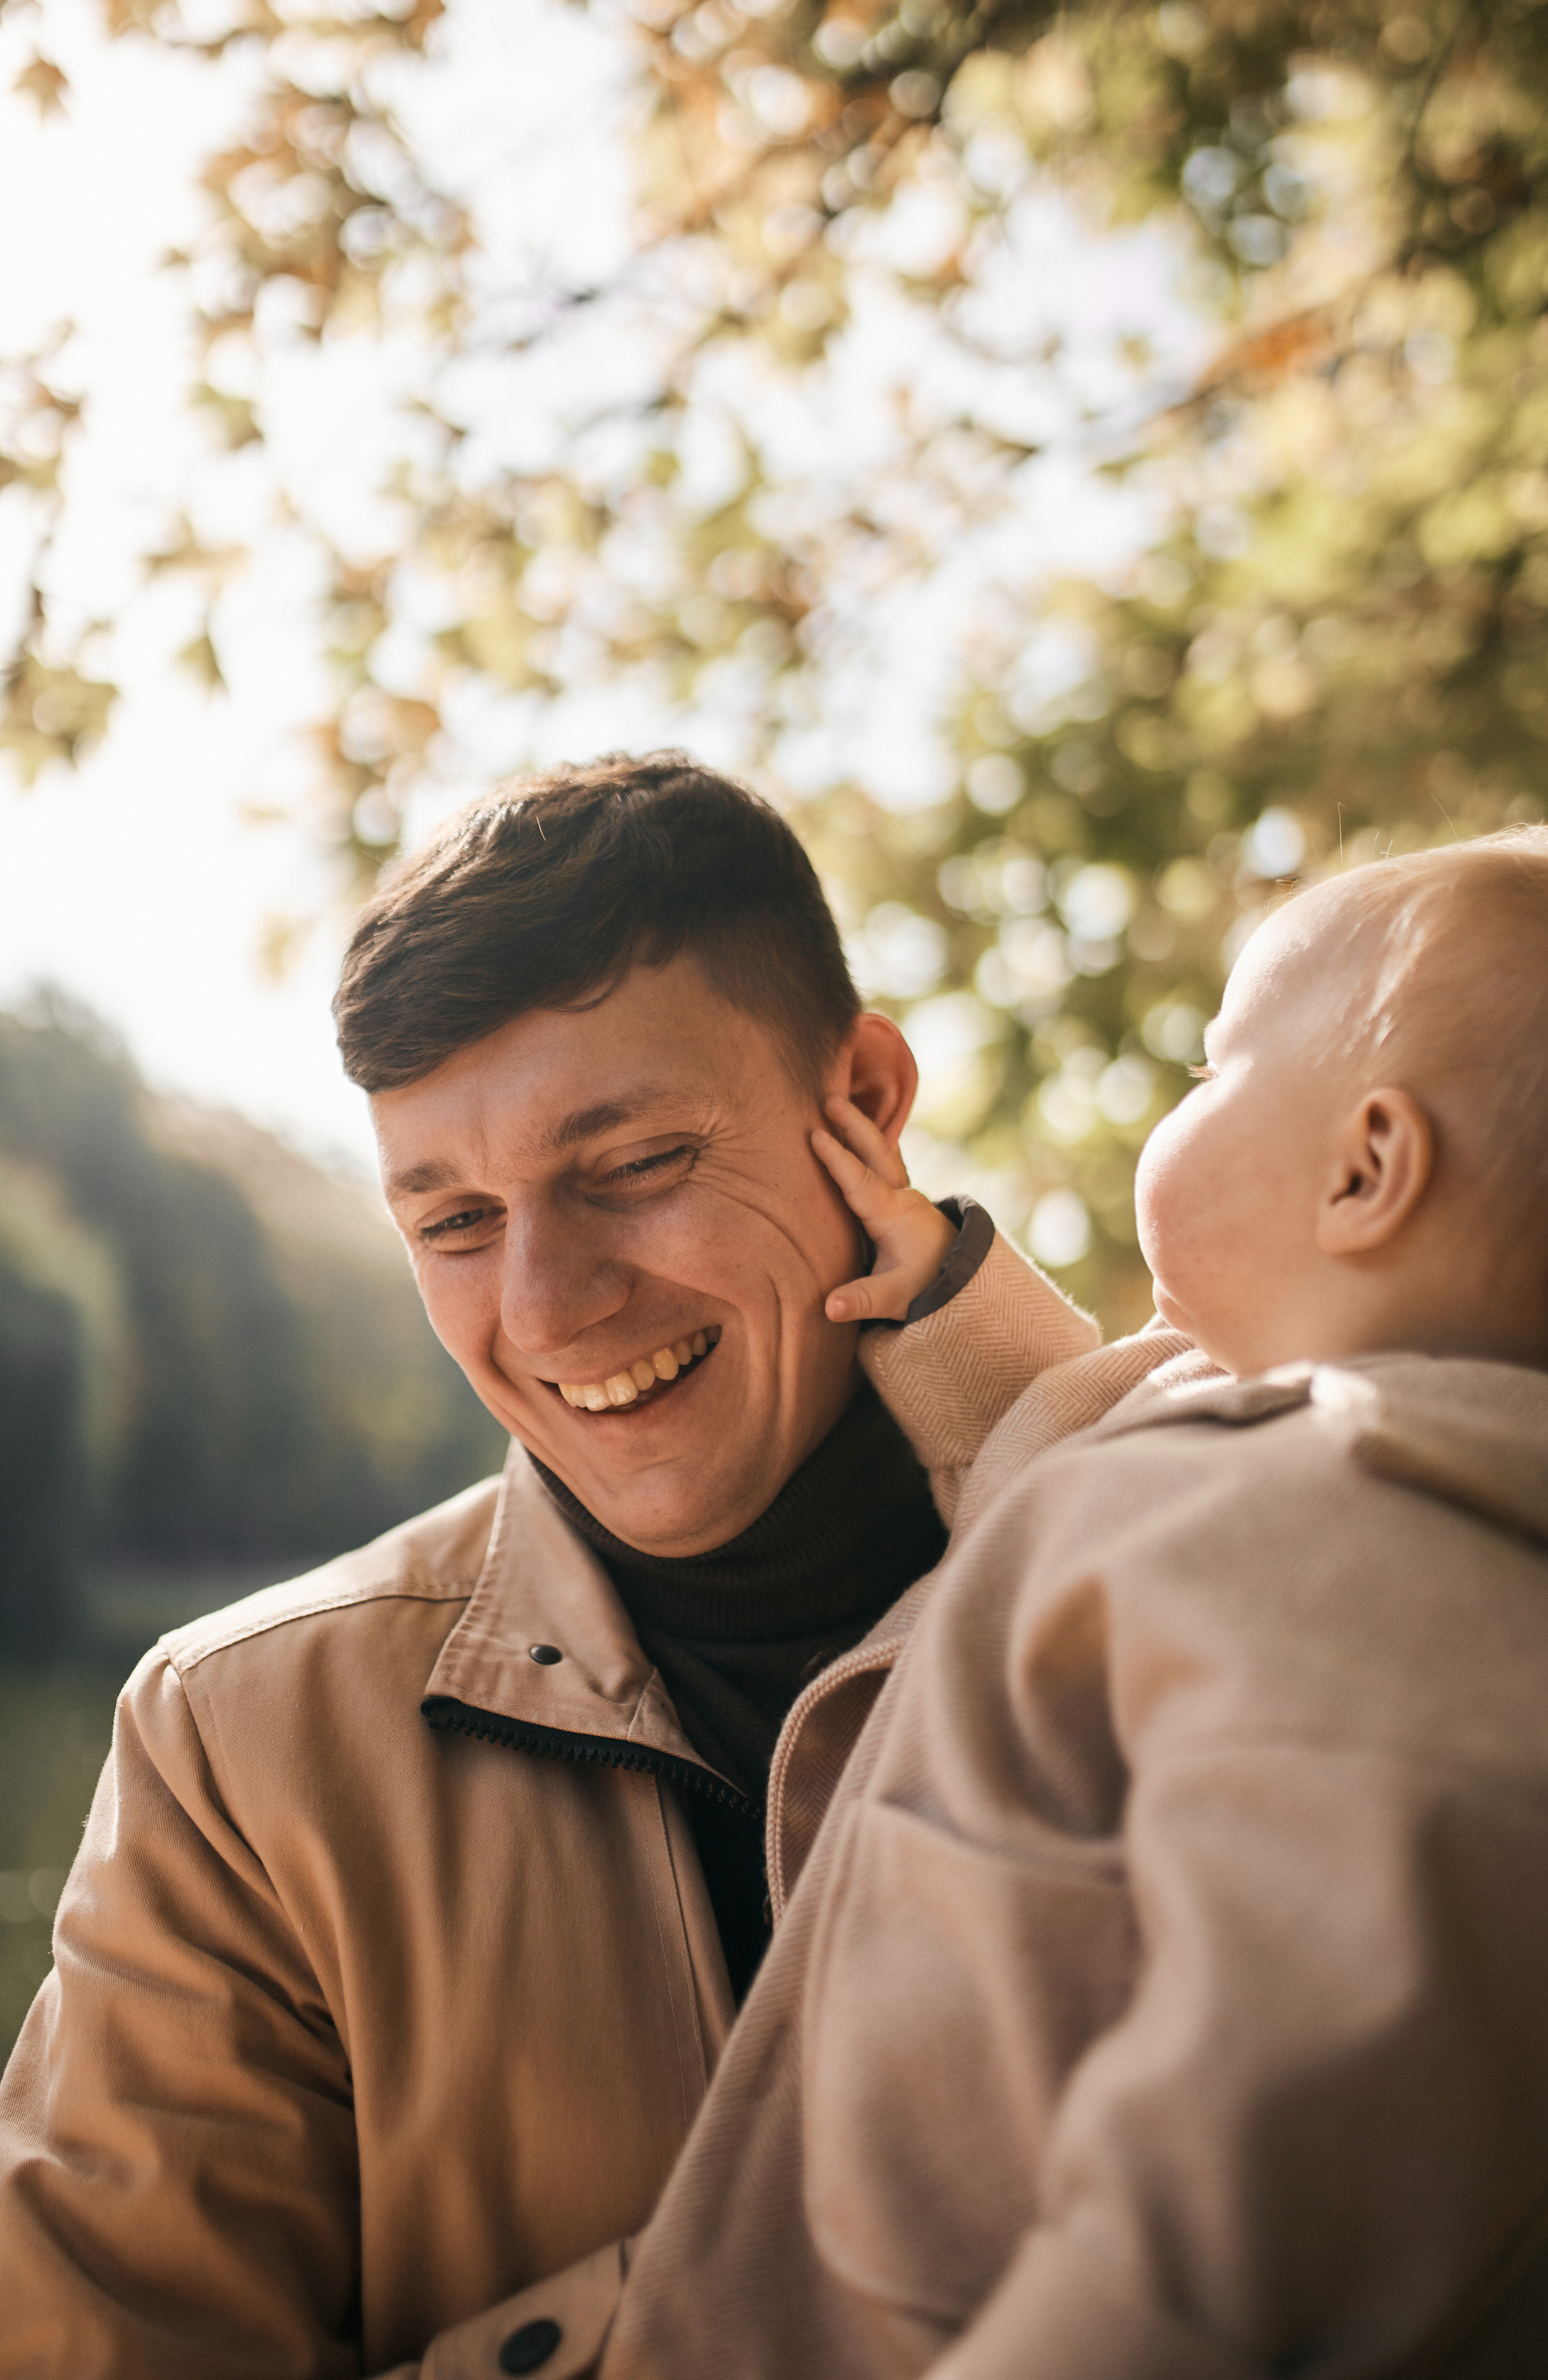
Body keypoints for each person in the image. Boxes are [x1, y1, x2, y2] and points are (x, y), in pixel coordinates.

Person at [0, 754, 1154, 2376]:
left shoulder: (1217, 1578)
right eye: (455, 1223)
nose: (544, 1312)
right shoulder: (238, 1752)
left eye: (629, 1169)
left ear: (868, 1105)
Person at [475, 821, 1548, 2380]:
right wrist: (933, 1293)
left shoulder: (1381, 1548)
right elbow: (1064, 1447)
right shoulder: (1267, 1442)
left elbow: (1266, 2165)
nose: (1179, 1099)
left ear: (1364, 1169)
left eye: (1216, 1071)